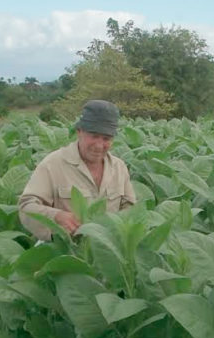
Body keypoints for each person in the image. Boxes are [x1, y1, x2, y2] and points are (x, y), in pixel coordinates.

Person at [18, 99, 136, 241]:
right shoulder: (52, 164)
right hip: (67, 250)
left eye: (106, 139)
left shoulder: (119, 167)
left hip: (108, 251)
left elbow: (129, 209)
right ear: (79, 132)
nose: (99, 145)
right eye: (94, 136)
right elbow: (26, 206)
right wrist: (56, 216)